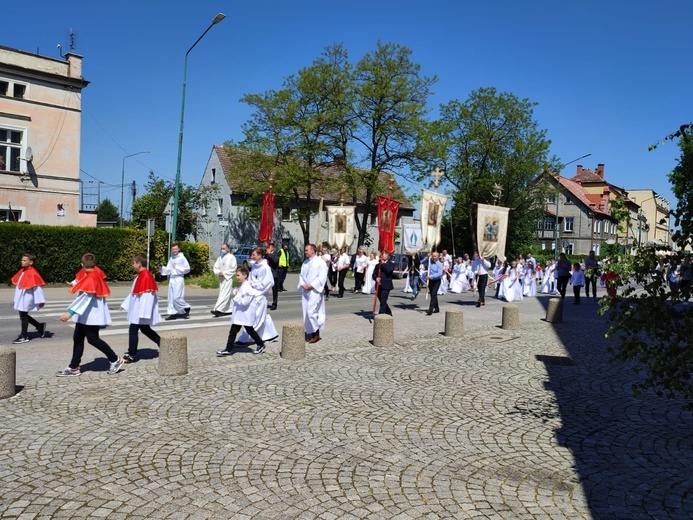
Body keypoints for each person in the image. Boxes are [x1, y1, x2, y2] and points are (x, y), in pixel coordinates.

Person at [56, 253, 124, 377]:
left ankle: (115, 359)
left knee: (93, 339)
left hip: (91, 315)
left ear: (82, 265)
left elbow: (85, 298)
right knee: (78, 338)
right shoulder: (92, 275)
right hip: (86, 314)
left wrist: (70, 312)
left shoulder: (91, 277)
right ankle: (74, 366)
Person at [216, 266, 267, 356]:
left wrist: (238, 295)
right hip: (240, 314)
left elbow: (245, 302)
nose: (237, 277)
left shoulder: (247, 287)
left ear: (245, 275)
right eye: (236, 275)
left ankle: (260, 344)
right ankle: (229, 348)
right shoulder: (244, 285)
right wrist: (237, 292)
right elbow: (238, 291)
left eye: (238, 275)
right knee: (234, 331)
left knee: (249, 330)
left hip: (244, 314)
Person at [120, 253, 160, 363]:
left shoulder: (145, 276)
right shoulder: (141, 275)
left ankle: (132, 354)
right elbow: (134, 292)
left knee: (133, 330)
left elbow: (148, 297)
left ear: (139, 264)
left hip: (141, 311)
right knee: (145, 329)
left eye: (133, 263)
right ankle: (162, 343)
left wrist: (144, 312)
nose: (132, 265)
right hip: (138, 309)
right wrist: (125, 304)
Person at [235, 247, 279, 346]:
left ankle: (245, 338)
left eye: (254, 254)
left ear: (260, 255)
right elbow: (250, 279)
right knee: (261, 316)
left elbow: (269, 282)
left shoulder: (265, 267)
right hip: (253, 294)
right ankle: (270, 334)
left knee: (257, 317)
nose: (252, 256)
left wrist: (255, 285)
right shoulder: (255, 266)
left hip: (260, 295)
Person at [11, 253, 46, 344]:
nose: (22, 262)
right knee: (23, 315)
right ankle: (39, 326)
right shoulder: (23, 270)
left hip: (27, 297)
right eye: (22, 260)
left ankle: (24, 335)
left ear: (31, 262)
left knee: (23, 316)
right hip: (21, 296)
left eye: (24, 260)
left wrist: (41, 300)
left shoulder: (33, 273)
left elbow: (37, 288)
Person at [298, 243, 328, 343]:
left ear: (312, 251)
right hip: (306, 291)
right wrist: (303, 284)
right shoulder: (305, 262)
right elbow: (301, 276)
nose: (305, 252)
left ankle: (316, 333)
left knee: (311, 312)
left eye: (307, 250)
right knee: (306, 313)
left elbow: (322, 277)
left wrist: (312, 285)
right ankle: (310, 331)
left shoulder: (320, 262)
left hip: (315, 291)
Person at [161, 242, 191, 320]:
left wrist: (177, 267)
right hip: (172, 278)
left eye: (175, 249)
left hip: (178, 278)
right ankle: (172, 313)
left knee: (176, 297)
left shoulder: (182, 258)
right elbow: (168, 269)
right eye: (173, 249)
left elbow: (187, 269)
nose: (174, 250)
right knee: (171, 297)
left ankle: (186, 307)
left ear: (179, 249)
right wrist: (162, 269)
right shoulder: (171, 258)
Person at [211, 243, 237, 316]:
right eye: (221, 249)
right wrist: (218, 272)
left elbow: (233, 269)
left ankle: (219, 309)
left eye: (224, 248)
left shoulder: (231, 257)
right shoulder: (220, 258)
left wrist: (224, 273)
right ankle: (229, 309)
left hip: (227, 279)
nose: (222, 250)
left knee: (225, 294)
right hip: (221, 279)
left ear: (228, 249)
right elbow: (215, 267)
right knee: (222, 293)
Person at [373, 251, 395, 315]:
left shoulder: (390, 264)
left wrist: (383, 264)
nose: (382, 256)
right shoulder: (378, 265)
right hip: (378, 285)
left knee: (383, 301)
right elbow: (374, 274)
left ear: (387, 256)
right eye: (381, 254)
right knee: (383, 301)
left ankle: (381, 315)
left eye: (383, 255)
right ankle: (388, 312)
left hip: (386, 286)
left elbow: (389, 271)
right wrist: (376, 278)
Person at [266, 242, 280, 310]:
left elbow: (275, 261)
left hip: (274, 274)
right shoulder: (266, 254)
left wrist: (270, 254)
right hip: (267, 274)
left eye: (270, 247)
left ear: (273, 248)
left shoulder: (276, 253)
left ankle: (274, 304)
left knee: (274, 290)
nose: (268, 249)